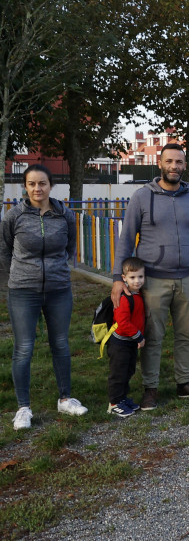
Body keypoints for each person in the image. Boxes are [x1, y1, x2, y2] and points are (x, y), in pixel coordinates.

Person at [112, 144, 189, 410]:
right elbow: (126, 240)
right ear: (160, 164)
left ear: (185, 165)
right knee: (152, 335)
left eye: (179, 162)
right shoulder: (141, 197)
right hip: (154, 280)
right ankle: (151, 388)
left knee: (187, 333)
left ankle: (184, 383)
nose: (174, 166)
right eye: (169, 161)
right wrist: (117, 278)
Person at [1, 164, 87, 430]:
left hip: (59, 289)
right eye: (31, 184)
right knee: (24, 348)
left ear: (51, 185)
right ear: (25, 187)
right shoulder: (13, 216)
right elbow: (4, 252)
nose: (37, 189)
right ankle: (23, 407)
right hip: (22, 291)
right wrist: (11, 283)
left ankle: (65, 398)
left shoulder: (65, 215)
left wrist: (59, 271)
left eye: (42, 183)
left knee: (60, 343)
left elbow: (70, 248)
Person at [107, 257, 146, 418]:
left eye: (140, 277)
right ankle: (114, 403)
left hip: (129, 342)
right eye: (132, 277)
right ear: (124, 278)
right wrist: (138, 337)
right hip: (120, 343)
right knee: (119, 372)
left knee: (128, 370)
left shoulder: (137, 294)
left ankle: (122, 398)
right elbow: (123, 323)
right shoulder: (125, 298)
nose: (137, 281)